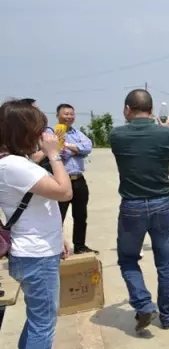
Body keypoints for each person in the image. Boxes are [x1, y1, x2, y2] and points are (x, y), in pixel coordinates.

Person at [0, 100, 72, 349]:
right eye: (39, 129)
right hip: (36, 255)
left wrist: (59, 237)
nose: (44, 134)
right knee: (44, 323)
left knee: (37, 317)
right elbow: (64, 191)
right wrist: (54, 154)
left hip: (35, 250)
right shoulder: (14, 166)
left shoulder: (14, 162)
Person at [110, 89, 169, 331]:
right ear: (152, 110)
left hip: (132, 205)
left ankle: (143, 304)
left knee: (128, 259)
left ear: (127, 109)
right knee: (166, 263)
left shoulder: (117, 135)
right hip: (161, 203)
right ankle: (168, 314)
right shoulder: (165, 134)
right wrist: (168, 131)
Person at [56, 103, 97, 254]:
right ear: (58, 115)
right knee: (58, 216)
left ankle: (80, 245)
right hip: (61, 180)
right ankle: (57, 247)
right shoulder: (52, 133)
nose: (69, 117)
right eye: (66, 114)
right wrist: (75, 150)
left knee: (80, 215)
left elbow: (88, 146)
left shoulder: (77, 133)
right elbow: (58, 152)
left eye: (71, 114)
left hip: (79, 179)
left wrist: (68, 146)